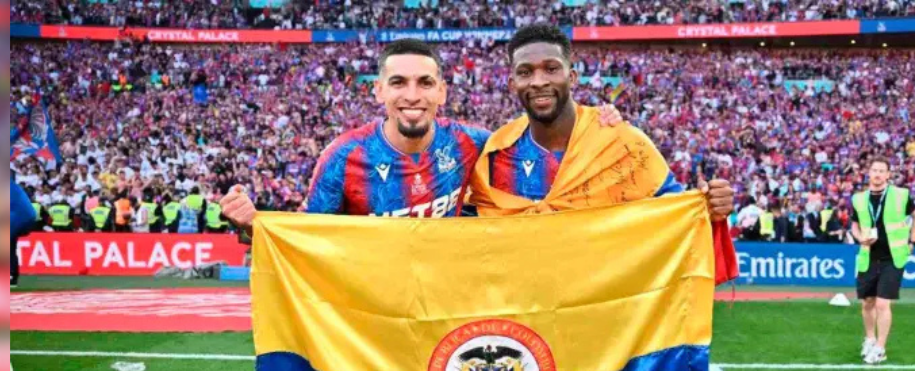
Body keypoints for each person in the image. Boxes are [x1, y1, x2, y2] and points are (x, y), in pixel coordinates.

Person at [220, 38, 630, 228]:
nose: (412, 95)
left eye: (424, 83)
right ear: (378, 90)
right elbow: (307, 240)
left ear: (442, 92)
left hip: (444, 305)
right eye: (398, 83)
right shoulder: (344, 157)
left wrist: (599, 124)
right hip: (374, 316)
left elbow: (553, 160)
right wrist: (252, 224)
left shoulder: (475, 144)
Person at [467, 25, 734, 221]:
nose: (538, 82)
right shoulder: (496, 153)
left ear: (571, 77)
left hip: (599, 297)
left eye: (551, 69)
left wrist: (709, 206)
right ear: (512, 84)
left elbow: (674, 211)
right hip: (524, 296)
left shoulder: (620, 142)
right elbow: (473, 222)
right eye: (525, 72)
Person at [850, 157, 915, 365]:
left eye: (881, 170)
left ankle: (881, 348)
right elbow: (854, 225)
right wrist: (859, 238)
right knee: (867, 302)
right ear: (869, 173)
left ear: (888, 174)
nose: (877, 174)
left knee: (883, 303)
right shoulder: (858, 199)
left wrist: (914, 239)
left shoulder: (901, 195)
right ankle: (870, 339)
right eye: (874, 170)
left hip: (893, 256)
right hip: (868, 255)